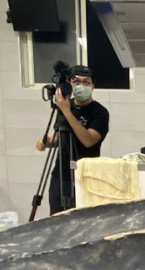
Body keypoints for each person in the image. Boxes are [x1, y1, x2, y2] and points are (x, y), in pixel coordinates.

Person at [34, 65, 110, 214]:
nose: (81, 85)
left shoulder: (100, 112)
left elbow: (88, 140)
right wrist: (47, 142)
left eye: (86, 82)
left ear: (93, 86)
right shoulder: (66, 106)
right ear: (70, 84)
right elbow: (59, 137)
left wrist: (66, 111)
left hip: (85, 176)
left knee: (82, 221)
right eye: (76, 81)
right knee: (57, 220)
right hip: (60, 176)